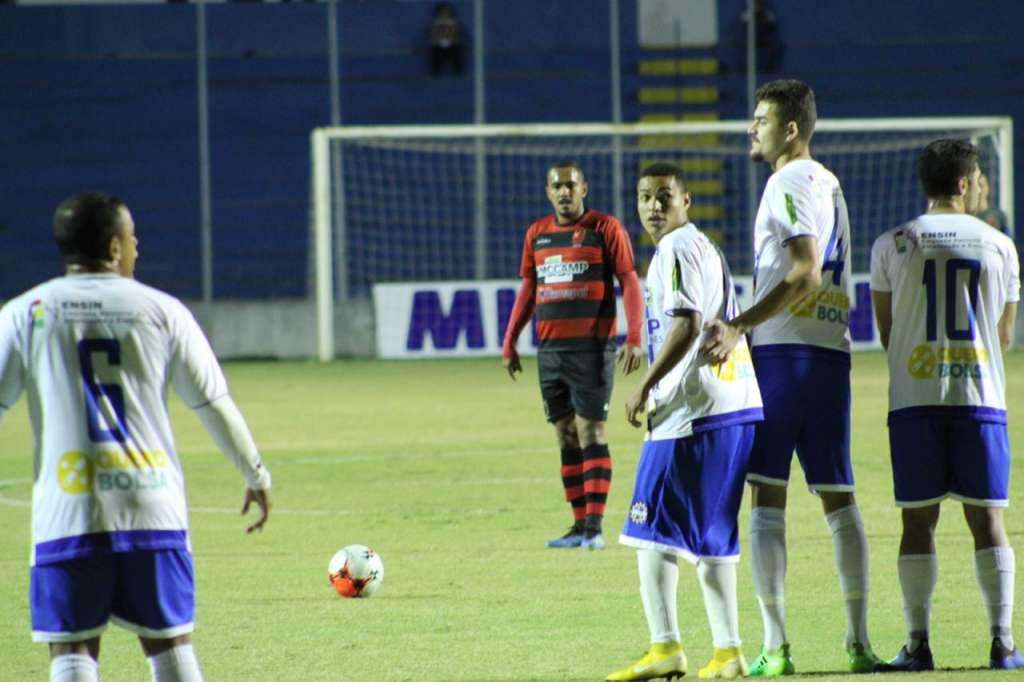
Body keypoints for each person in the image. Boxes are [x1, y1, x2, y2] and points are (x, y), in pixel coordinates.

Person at [0, 192, 272, 682]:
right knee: (169, 642)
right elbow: (212, 402)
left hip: (69, 509)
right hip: (152, 505)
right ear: (112, 247)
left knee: (72, 647)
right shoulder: (162, 310)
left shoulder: (26, 312)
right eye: (132, 239)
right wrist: (254, 471)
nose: (137, 248)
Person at [701, 79, 883, 675]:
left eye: (760, 120)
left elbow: (803, 271)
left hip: (782, 354)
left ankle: (775, 647)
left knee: (767, 496)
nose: (751, 128)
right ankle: (857, 643)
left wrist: (738, 324)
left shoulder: (787, 181)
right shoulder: (828, 181)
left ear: (790, 130)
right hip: (830, 352)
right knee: (839, 498)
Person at [870, 139, 1023, 672]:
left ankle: (918, 644)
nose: (982, 187)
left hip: (914, 403)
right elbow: (1004, 337)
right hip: (979, 401)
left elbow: (887, 333)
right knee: (989, 522)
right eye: (979, 179)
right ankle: (1002, 643)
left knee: (918, 524)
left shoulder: (891, 243)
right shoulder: (1000, 245)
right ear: (963, 183)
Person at [607, 163, 763, 681]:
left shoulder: (675, 248)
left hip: (692, 413)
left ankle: (666, 647)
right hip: (736, 405)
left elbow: (688, 322)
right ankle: (728, 652)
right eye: (645, 197)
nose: (654, 206)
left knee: (646, 530)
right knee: (712, 536)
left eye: (664, 196)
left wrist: (646, 385)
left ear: (686, 200)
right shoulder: (704, 246)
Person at [502, 160, 645, 550]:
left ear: (584, 188)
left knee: (591, 431)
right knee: (564, 434)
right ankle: (578, 526)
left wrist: (634, 337)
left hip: (592, 347)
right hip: (550, 350)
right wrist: (510, 339)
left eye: (571, 185)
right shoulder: (537, 235)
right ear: (548, 192)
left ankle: (595, 528)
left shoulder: (605, 229)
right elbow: (529, 289)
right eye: (557, 186)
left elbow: (629, 281)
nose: (564, 192)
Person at [429, 2, 464, 77]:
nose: (444, 14)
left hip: (451, 45)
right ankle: (436, 71)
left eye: (446, 12)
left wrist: (450, 39)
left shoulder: (453, 22)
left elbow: (455, 35)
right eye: (442, 12)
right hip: (438, 46)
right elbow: (434, 36)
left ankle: (458, 71)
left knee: (455, 51)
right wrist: (439, 40)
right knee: (436, 52)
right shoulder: (436, 23)